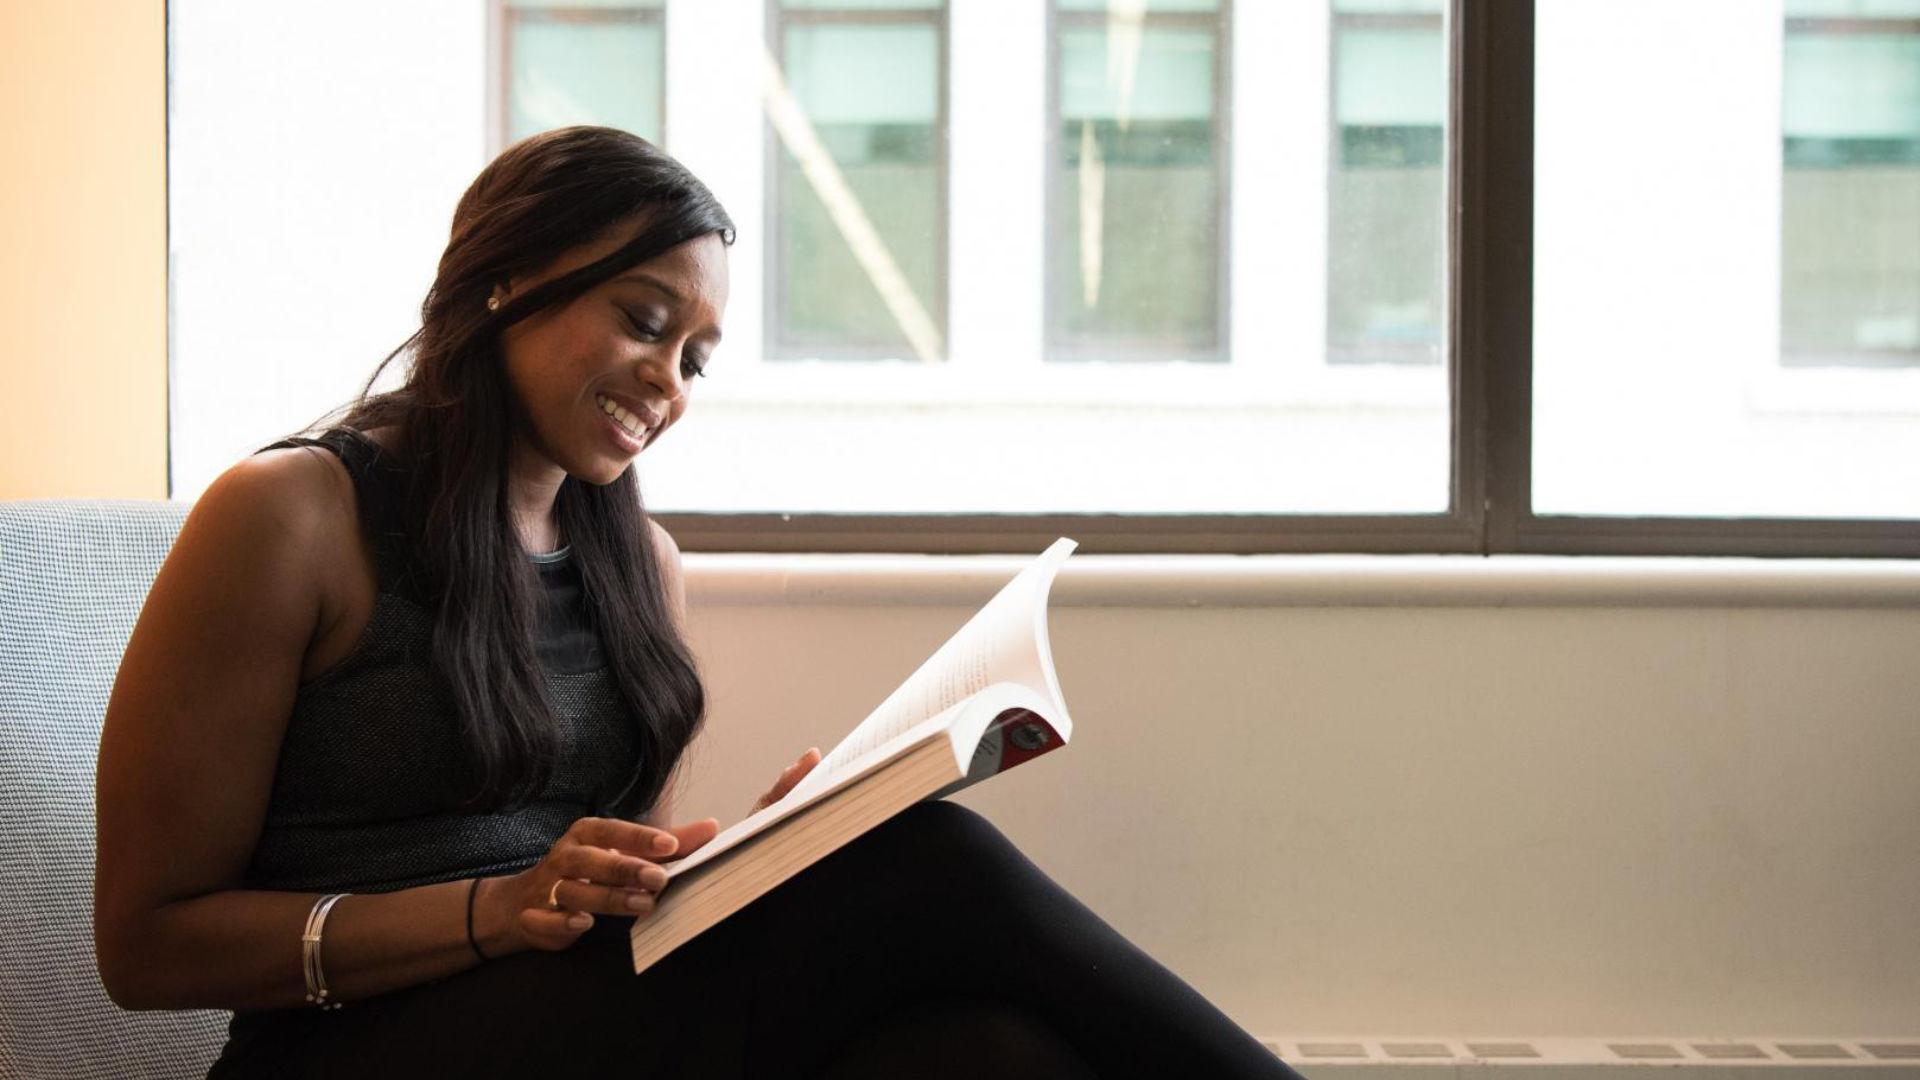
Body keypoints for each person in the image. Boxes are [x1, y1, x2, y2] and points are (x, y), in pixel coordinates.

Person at [92, 126, 1305, 1079]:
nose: (667, 384)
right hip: (347, 1052)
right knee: (933, 868)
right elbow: (145, 945)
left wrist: (755, 862)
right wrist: (495, 911)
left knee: (983, 1056)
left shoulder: (638, 562)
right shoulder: (291, 516)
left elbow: (605, 892)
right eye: (644, 322)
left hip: (561, 1030)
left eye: (697, 360)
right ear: (507, 277)